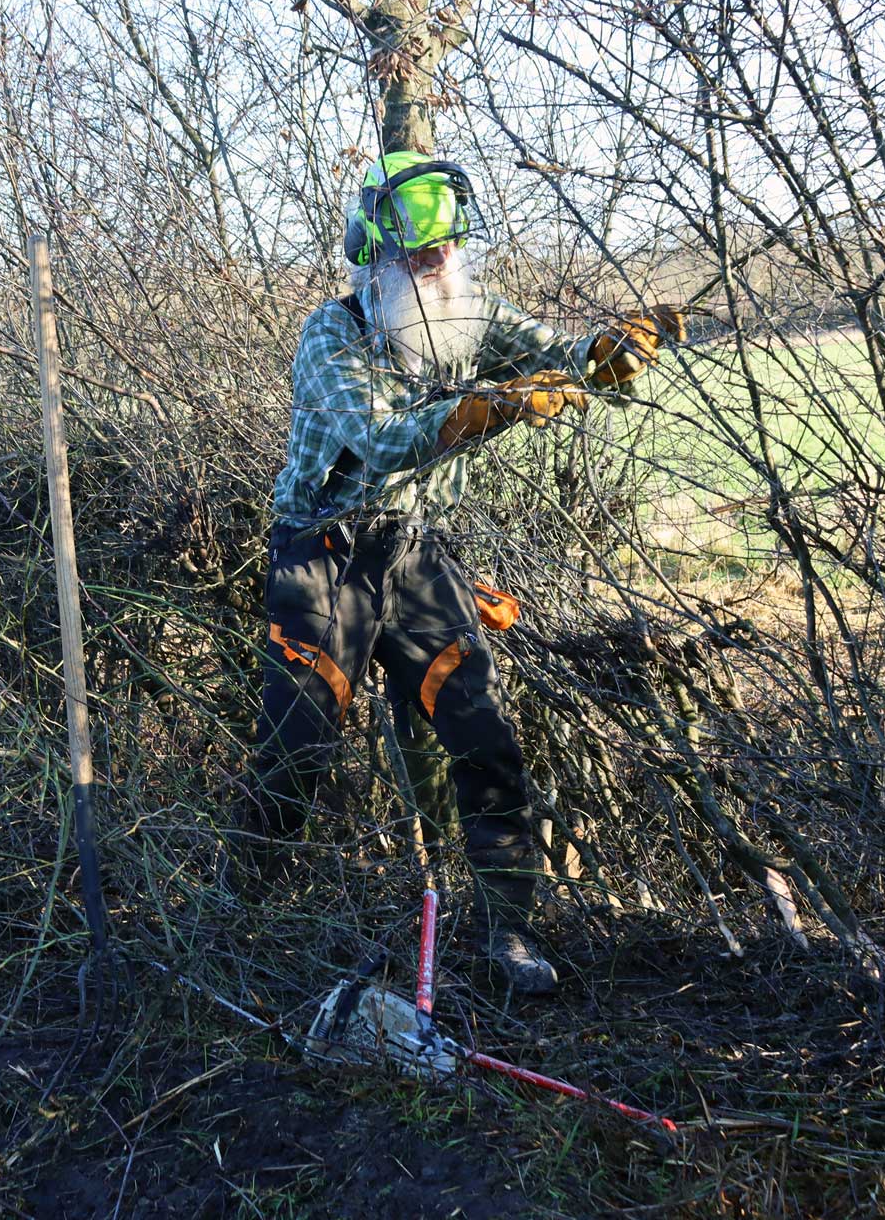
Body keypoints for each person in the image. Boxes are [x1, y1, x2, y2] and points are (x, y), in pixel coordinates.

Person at [229, 151, 684, 995]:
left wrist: (613, 353)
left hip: (414, 549)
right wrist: (490, 408)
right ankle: (237, 921)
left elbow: (565, 355)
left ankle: (511, 933)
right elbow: (387, 437)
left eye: (446, 250)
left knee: (484, 732)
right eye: (418, 253)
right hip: (321, 555)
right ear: (375, 249)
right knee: (296, 749)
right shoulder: (332, 332)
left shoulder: (473, 313)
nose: (437, 267)